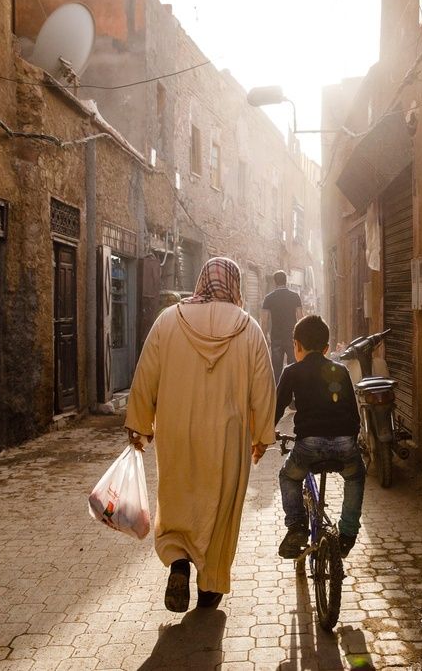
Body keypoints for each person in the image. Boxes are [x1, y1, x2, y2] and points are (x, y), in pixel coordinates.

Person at [124, 257, 276, 612]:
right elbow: (264, 386)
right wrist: (263, 434)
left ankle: (179, 561)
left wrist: (140, 424)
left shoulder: (168, 320)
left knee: (178, 496)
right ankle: (211, 584)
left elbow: (145, 375)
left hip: (177, 432)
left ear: (201, 281)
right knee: (221, 506)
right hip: (227, 438)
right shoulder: (248, 328)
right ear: (235, 284)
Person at [274, 314, 364, 559]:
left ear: (297, 345)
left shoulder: (292, 372)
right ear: (326, 348)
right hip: (345, 443)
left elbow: (277, 408)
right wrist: (351, 441)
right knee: (355, 476)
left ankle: (297, 528)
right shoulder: (341, 371)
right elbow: (353, 414)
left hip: (309, 446)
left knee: (288, 476)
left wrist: (265, 434)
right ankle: (347, 533)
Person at [260, 270, 303, 383]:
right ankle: (293, 392)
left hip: (276, 337)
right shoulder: (295, 296)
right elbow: (300, 318)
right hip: (292, 337)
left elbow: (264, 321)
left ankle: (279, 394)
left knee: (277, 370)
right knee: (293, 367)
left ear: (275, 282)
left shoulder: (269, 298)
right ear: (286, 280)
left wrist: (264, 337)